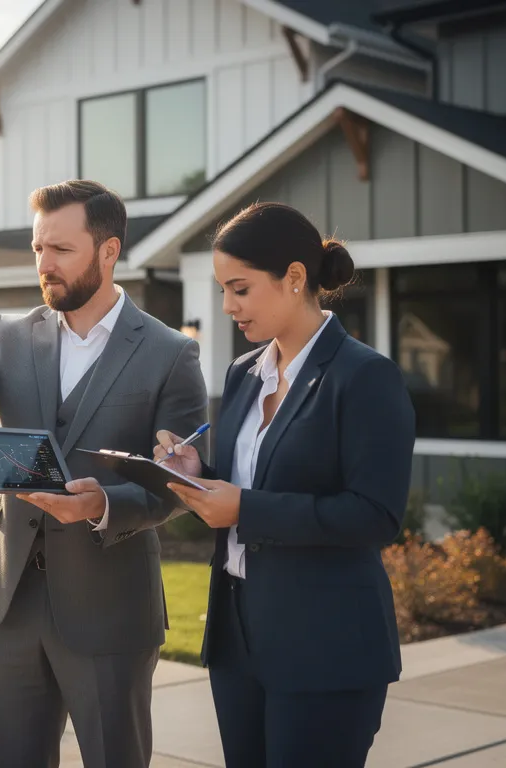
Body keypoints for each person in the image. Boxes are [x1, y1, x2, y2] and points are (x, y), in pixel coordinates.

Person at [0, 179, 207, 768]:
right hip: (9, 597)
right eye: (37, 249)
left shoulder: (169, 352)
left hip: (109, 605)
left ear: (108, 251)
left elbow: (180, 481)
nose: (44, 265)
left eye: (61, 250)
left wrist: (102, 504)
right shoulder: (10, 334)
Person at [157, 202, 414, 767]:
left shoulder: (365, 376)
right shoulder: (243, 374)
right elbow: (251, 480)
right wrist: (197, 475)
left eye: (240, 289)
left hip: (326, 646)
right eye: (223, 289)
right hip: (237, 639)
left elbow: (375, 515)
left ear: (295, 278)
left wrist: (246, 510)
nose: (227, 307)